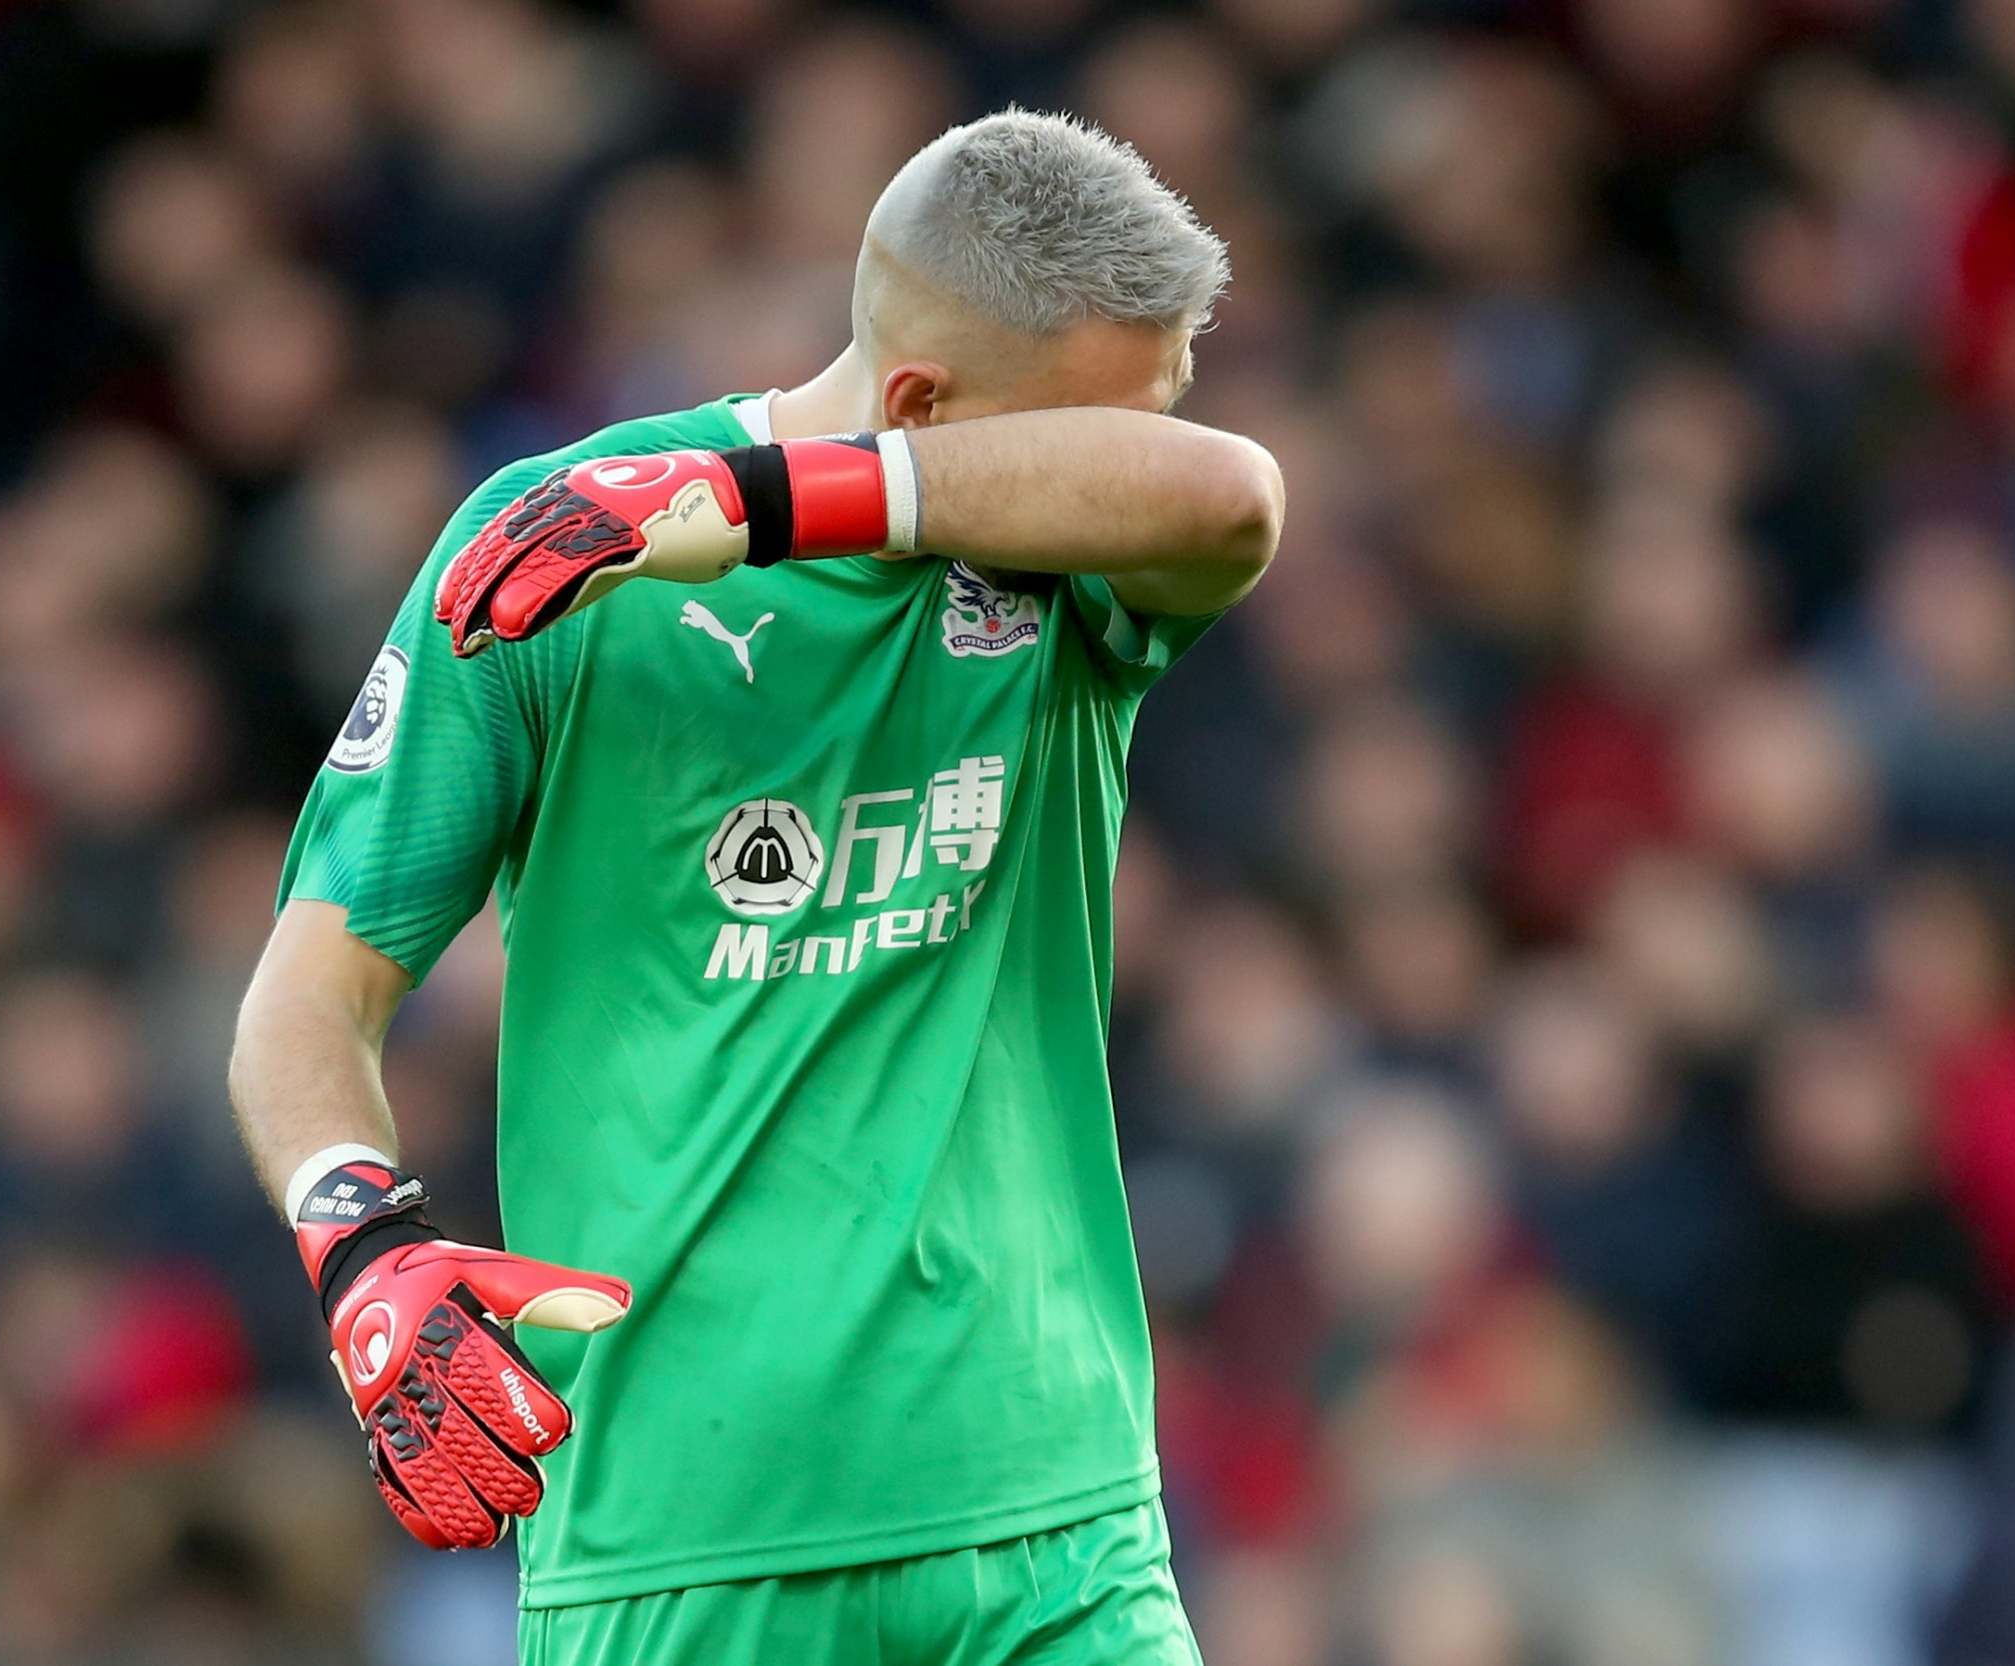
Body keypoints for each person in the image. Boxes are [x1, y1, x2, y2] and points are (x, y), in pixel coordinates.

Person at [229, 108, 1284, 1666]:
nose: (1122, 455)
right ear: (924, 396)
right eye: (1080, 422)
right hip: (675, 1544)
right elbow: (308, 996)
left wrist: (780, 500)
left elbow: (1227, 500)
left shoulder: (1077, 563)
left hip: (1052, 1524)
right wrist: (357, 1238)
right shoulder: (547, 563)